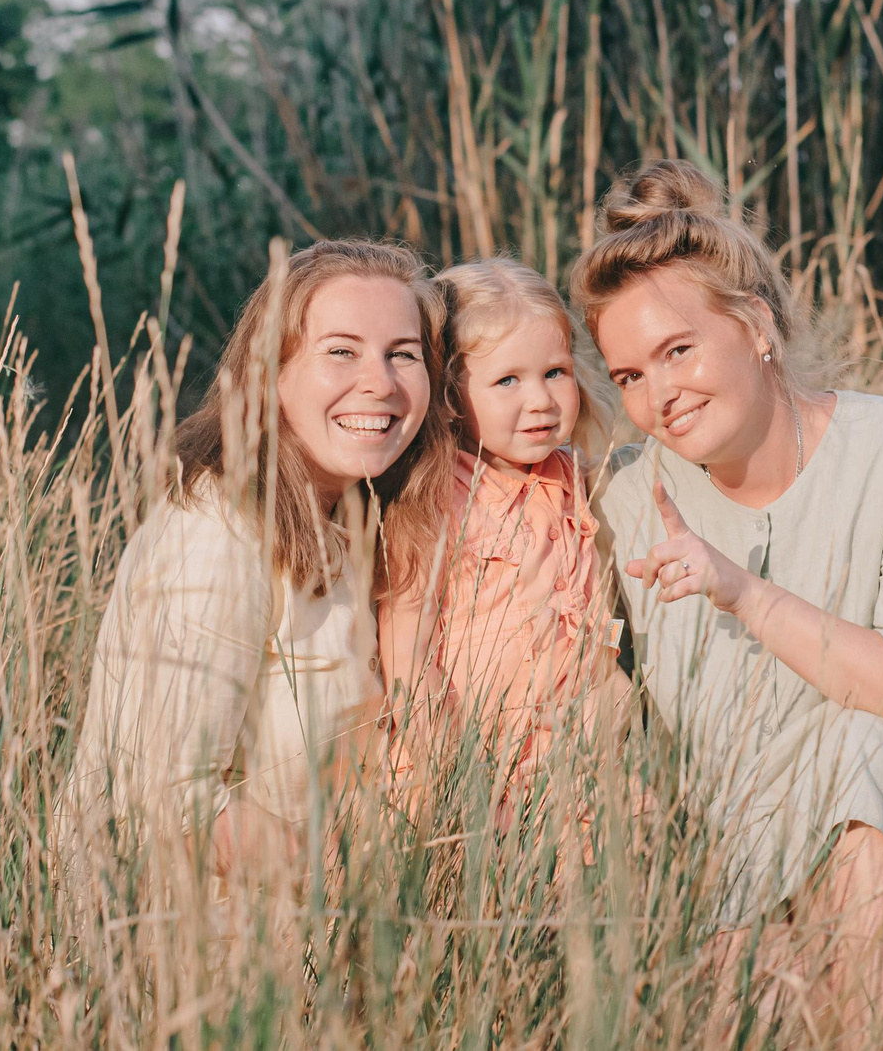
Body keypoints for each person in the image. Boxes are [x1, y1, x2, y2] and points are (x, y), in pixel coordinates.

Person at [577, 161, 883, 1033]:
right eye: (631, 375)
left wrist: (744, 592)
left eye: (678, 350)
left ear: (755, 323)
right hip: (748, 856)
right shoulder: (628, 502)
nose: (660, 398)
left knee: (867, 749)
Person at [60, 239, 454, 902]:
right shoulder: (220, 529)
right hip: (198, 955)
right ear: (271, 370)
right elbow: (167, 795)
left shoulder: (354, 516)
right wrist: (357, 888)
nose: (380, 382)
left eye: (403, 355)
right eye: (341, 351)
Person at [375, 258, 632, 821]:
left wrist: (614, 689)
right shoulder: (436, 498)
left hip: (576, 760)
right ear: (448, 397)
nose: (540, 400)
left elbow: (587, 604)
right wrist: (452, 777)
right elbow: (407, 657)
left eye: (555, 372)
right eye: (507, 381)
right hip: (477, 768)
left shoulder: (574, 478)